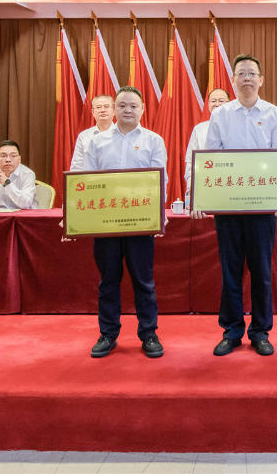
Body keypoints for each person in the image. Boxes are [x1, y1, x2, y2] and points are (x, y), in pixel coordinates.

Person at [195, 54, 277, 358]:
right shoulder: (221, 115)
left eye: (252, 73)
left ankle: (260, 332)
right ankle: (232, 331)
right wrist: (204, 198)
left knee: (261, 271)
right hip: (229, 206)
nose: (247, 78)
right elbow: (211, 158)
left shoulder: (274, 114)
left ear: (261, 79)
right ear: (233, 80)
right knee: (230, 270)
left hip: (262, 207)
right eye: (241, 73)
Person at [82, 86, 168, 360]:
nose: (127, 110)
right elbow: (86, 181)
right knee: (108, 281)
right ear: (114, 109)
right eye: (122, 105)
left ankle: (149, 334)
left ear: (142, 109)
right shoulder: (96, 142)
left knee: (144, 281)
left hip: (140, 222)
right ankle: (108, 334)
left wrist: (157, 217)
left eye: (133, 106)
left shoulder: (154, 140)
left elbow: (160, 181)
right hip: (106, 223)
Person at [184, 88, 232, 206]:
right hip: (206, 185)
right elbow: (191, 162)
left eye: (221, 101)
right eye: (213, 101)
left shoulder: (236, 128)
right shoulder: (199, 129)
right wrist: (191, 187)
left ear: (229, 104)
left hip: (231, 185)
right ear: (208, 104)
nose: (217, 104)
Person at [70, 94, 114, 171]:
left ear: (114, 110)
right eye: (98, 107)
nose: (102, 110)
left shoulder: (121, 134)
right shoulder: (84, 136)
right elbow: (77, 167)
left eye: (106, 106)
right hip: (89, 178)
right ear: (93, 112)